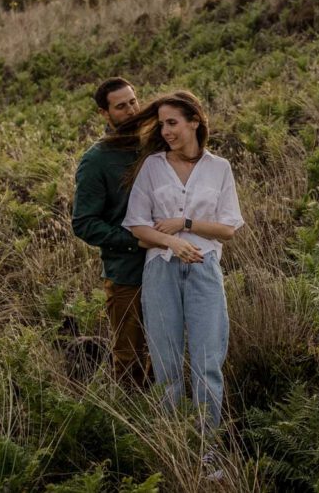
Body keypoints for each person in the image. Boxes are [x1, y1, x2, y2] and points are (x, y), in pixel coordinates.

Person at [115, 90, 244, 437]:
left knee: (207, 365)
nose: (166, 131)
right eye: (162, 125)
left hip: (204, 269)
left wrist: (185, 225)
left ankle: (208, 449)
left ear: (194, 121)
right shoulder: (153, 167)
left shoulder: (219, 168)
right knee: (166, 365)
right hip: (161, 270)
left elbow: (228, 228)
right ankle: (173, 444)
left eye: (172, 123)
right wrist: (171, 241)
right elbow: (137, 224)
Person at [71, 77, 151, 389]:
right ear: (105, 114)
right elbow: (84, 223)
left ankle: (167, 420)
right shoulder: (97, 160)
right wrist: (134, 241)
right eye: (121, 106)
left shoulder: (153, 144)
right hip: (126, 274)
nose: (132, 109)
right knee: (130, 357)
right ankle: (132, 423)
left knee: (165, 351)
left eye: (133, 101)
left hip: (167, 265)